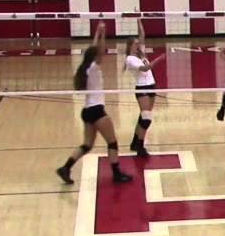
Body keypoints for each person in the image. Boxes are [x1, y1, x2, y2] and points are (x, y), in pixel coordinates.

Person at [56, 23, 133, 185]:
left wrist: (97, 33)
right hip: (97, 111)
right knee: (112, 142)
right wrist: (103, 34)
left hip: (87, 111)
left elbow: (94, 49)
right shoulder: (94, 67)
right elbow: (100, 49)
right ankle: (117, 174)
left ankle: (65, 168)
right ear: (95, 57)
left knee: (87, 145)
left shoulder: (84, 67)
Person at [125, 22, 162, 158]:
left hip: (151, 86)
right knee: (146, 119)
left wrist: (139, 19)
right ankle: (140, 147)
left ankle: (135, 143)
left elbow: (142, 34)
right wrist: (159, 59)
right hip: (143, 88)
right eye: (135, 44)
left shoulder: (140, 55)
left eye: (138, 43)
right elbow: (146, 68)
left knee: (143, 117)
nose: (138, 45)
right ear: (130, 46)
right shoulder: (130, 59)